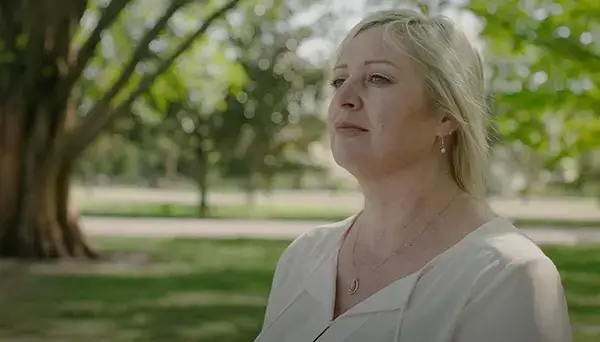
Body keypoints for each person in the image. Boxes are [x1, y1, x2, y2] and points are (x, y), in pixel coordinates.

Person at [254, 9, 572, 342]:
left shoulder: (507, 276)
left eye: (378, 78)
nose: (343, 99)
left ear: (446, 117)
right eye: (338, 80)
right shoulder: (303, 256)